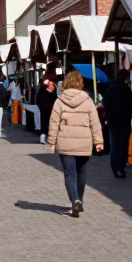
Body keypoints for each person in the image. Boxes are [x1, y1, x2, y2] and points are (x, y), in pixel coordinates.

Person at [47, 71, 104, 216]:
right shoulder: (87, 100)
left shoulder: (59, 100)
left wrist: (51, 141)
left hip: (65, 142)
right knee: (82, 173)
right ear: (81, 83)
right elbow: (95, 122)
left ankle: (75, 200)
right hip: (84, 142)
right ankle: (79, 200)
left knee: (70, 174)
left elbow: (53, 122)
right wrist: (98, 141)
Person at [102, 69, 132, 178]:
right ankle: (120, 168)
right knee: (122, 145)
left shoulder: (110, 88)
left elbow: (105, 103)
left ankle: (114, 166)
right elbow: (131, 105)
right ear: (126, 77)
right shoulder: (126, 90)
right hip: (123, 121)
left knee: (114, 145)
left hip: (112, 121)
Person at [35, 74, 58, 145]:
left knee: (43, 121)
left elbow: (38, 98)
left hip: (43, 107)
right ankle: (49, 137)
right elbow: (54, 97)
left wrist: (39, 106)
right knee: (50, 122)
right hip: (50, 107)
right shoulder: (53, 87)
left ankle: (43, 136)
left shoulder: (42, 88)